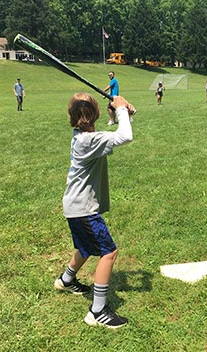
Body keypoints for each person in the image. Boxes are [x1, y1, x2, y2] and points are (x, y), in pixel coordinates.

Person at [54, 92, 135, 329]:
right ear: (94, 114)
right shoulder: (89, 141)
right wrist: (120, 109)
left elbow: (119, 132)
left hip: (74, 205)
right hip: (83, 209)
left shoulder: (84, 137)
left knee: (85, 247)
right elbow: (125, 137)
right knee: (108, 252)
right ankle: (97, 311)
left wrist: (121, 113)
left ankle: (66, 280)